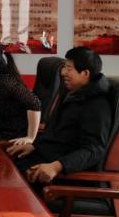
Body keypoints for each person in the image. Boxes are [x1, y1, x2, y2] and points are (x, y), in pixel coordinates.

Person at [8, 46, 112, 183]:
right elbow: (55, 133)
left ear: (85, 73)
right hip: (44, 156)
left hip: (60, 171)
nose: (63, 73)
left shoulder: (97, 105)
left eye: (69, 69)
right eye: (64, 68)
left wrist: (57, 166)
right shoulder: (72, 93)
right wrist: (34, 146)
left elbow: (94, 150)